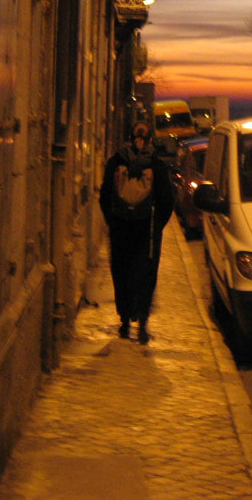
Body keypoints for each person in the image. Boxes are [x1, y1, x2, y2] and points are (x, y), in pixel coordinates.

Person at [98, 121, 174, 344]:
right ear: (150, 140)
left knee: (121, 272)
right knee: (146, 275)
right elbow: (167, 201)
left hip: (121, 230)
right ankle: (142, 322)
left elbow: (104, 196)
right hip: (146, 232)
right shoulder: (157, 166)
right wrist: (156, 225)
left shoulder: (116, 161)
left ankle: (124, 320)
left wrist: (113, 221)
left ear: (129, 138)